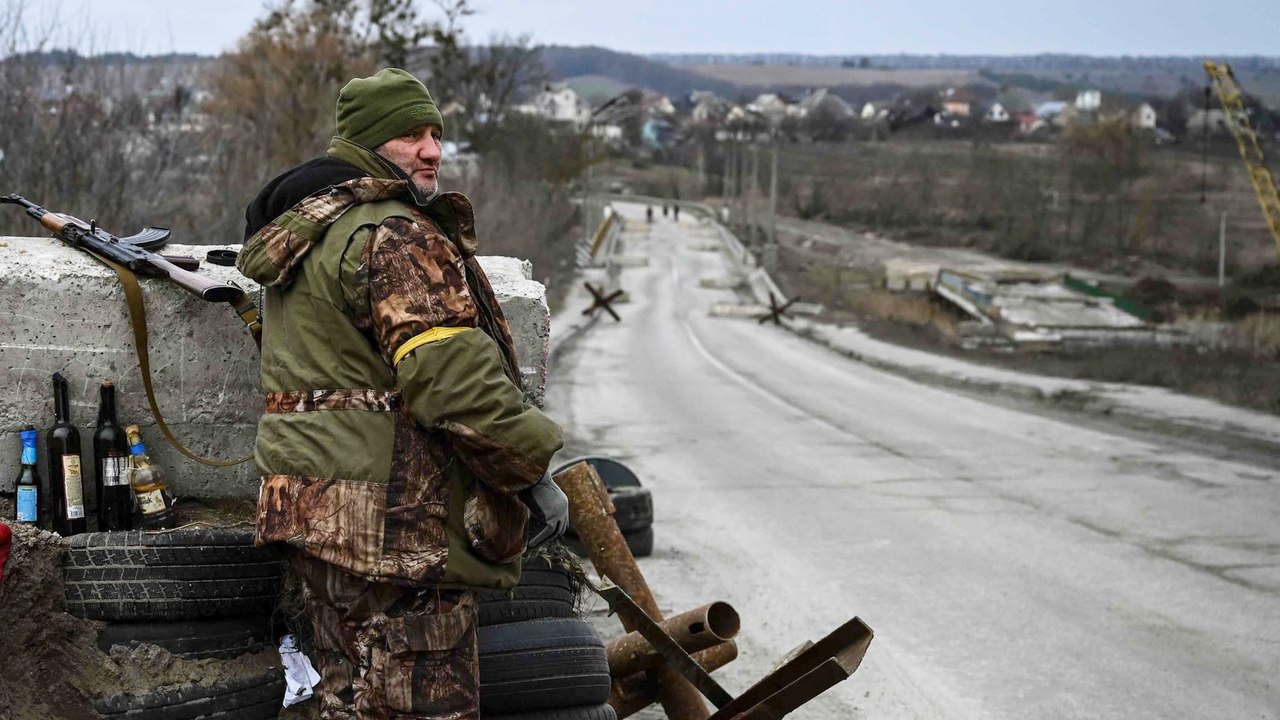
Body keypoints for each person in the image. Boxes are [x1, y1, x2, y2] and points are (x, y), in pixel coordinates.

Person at [237, 68, 568, 720]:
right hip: (395, 533)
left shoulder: (305, 233)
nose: (432, 151)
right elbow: (455, 387)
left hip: (312, 519)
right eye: (410, 135)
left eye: (435, 134)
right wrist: (533, 468)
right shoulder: (396, 235)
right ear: (367, 142)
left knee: (343, 699)